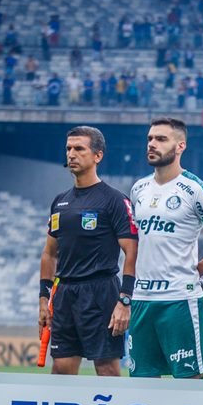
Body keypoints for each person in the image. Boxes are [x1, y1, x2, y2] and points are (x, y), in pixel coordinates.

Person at [127, 118, 203, 379]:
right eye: (150, 139)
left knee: (189, 379)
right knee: (141, 381)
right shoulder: (139, 189)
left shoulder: (196, 190)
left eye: (161, 139)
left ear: (180, 146)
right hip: (142, 299)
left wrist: (201, 268)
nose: (152, 144)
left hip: (179, 299)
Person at [39, 126, 138, 376]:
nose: (72, 154)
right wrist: (43, 299)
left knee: (106, 369)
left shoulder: (114, 199)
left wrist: (125, 299)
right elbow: (49, 254)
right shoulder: (60, 201)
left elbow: (131, 250)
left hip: (101, 291)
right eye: (69, 149)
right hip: (64, 294)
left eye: (79, 148)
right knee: (61, 368)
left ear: (98, 156)